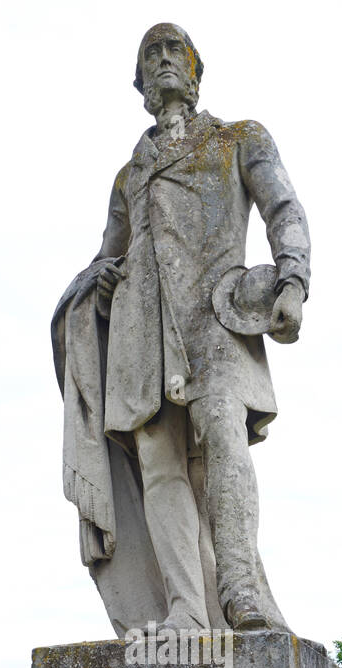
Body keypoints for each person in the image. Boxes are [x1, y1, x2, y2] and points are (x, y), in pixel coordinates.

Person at [52, 22, 310, 636]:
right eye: (151, 54)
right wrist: (105, 282)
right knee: (159, 464)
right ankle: (186, 610)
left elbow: (285, 209)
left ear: (194, 72)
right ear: (140, 81)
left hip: (217, 317)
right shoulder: (128, 174)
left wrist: (294, 278)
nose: (163, 60)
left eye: (174, 51)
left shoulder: (238, 139)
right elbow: (104, 258)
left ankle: (242, 592)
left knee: (223, 433)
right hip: (142, 333)